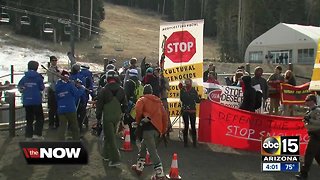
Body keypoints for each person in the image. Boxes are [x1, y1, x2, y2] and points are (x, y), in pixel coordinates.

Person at [131, 84, 168, 180]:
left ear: (144, 91)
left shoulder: (142, 100)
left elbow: (138, 111)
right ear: (151, 92)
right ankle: (139, 167)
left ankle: (160, 175)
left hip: (147, 129)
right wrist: (163, 130)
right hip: (157, 129)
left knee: (152, 152)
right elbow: (165, 116)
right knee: (143, 148)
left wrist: (138, 122)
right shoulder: (158, 102)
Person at [96, 70, 127, 167]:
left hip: (107, 116)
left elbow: (99, 106)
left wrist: (98, 118)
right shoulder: (121, 89)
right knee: (109, 135)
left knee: (110, 137)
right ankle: (106, 155)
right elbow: (125, 105)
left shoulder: (103, 90)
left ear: (107, 78)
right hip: (117, 116)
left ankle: (115, 159)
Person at [18, 61, 45, 140]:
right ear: (36, 67)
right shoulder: (38, 77)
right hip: (36, 100)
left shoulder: (24, 77)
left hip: (27, 100)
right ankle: (37, 134)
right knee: (39, 118)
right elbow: (42, 88)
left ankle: (28, 136)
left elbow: (20, 87)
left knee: (29, 119)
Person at [295, 94, 320, 179]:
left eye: (307, 100)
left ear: (312, 101)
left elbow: (318, 123)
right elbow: (307, 125)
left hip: (316, 135)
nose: (306, 102)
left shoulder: (317, 110)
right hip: (313, 134)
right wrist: (306, 121)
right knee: (317, 155)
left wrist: (309, 120)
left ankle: (304, 174)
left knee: (308, 154)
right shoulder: (309, 111)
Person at [55, 70, 85, 141]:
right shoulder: (70, 85)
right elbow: (77, 94)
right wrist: (82, 88)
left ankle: (61, 141)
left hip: (61, 108)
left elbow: (57, 97)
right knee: (74, 125)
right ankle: (76, 140)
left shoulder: (57, 86)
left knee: (62, 126)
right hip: (70, 108)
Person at [179, 78, 200, 147]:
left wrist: (201, 99)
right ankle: (185, 143)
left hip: (192, 110)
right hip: (185, 110)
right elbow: (182, 99)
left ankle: (194, 142)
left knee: (193, 126)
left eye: (188, 82)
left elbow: (197, 100)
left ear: (191, 83)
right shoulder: (183, 90)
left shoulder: (193, 90)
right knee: (186, 126)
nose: (187, 83)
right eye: (186, 82)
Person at [69, 64, 87, 135]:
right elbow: (83, 86)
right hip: (79, 97)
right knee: (80, 113)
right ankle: (78, 127)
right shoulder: (80, 77)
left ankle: (72, 127)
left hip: (72, 97)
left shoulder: (70, 77)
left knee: (74, 113)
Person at [47, 56, 60, 129]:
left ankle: (57, 123)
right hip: (52, 90)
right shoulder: (50, 70)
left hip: (58, 90)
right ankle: (51, 124)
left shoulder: (58, 69)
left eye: (56, 60)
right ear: (51, 61)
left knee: (58, 108)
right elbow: (51, 81)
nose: (54, 61)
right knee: (52, 108)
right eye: (53, 60)